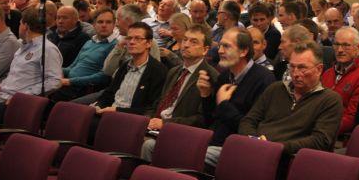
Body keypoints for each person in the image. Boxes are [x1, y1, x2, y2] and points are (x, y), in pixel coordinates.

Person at [239, 41, 343, 155]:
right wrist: (254, 140)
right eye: (292, 67)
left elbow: (320, 141)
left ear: (319, 69)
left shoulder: (329, 100)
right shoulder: (275, 89)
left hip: (290, 158)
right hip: (255, 149)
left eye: (302, 68)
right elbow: (248, 121)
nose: (295, 73)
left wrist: (275, 147)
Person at [141, 24, 219, 161]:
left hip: (179, 132)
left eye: (193, 42)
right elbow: (159, 102)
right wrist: (148, 119)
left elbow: (201, 119)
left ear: (205, 50)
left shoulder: (210, 77)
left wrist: (165, 123)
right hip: (155, 127)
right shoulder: (174, 71)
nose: (186, 45)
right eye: (185, 40)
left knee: (147, 145)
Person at [199, 28, 275, 166]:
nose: (220, 51)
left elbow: (250, 130)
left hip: (238, 148)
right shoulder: (224, 76)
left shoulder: (264, 80)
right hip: (213, 141)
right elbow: (210, 120)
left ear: (243, 51)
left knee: (190, 155)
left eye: (226, 46)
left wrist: (224, 105)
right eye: (220, 45)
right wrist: (206, 95)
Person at [93, 22, 167, 116]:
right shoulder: (125, 66)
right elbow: (109, 93)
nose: (131, 42)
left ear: (148, 43)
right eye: (129, 38)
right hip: (110, 113)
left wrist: (117, 110)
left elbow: (151, 109)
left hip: (132, 119)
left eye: (138, 38)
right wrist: (99, 105)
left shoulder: (158, 71)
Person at [51, 8, 118, 102]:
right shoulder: (89, 42)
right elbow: (72, 67)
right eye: (100, 22)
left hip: (85, 89)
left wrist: (70, 81)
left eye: (108, 22)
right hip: (70, 84)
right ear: (94, 25)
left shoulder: (115, 46)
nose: (104, 25)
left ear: (114, 25)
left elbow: (104, 77)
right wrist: (56, 70)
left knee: (48, 97)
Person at [321, 27, 359, 135]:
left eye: (346, 45)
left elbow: (351, 118)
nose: (340, 50)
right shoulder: (327, 73)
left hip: (336, 135)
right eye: (336, 44)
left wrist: (322, 129)